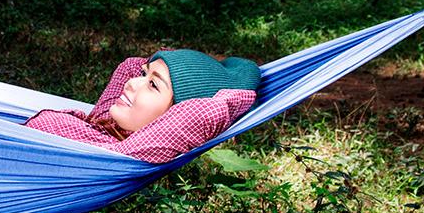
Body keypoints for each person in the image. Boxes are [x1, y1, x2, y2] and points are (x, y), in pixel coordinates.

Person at [23, 49, 262, 163]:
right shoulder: (105, 122)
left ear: (176, 117)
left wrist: (225, 96)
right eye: (143, 74)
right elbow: (130, 65)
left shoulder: (117, 157)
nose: (131, 83)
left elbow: (204, 111)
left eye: (153, 85)